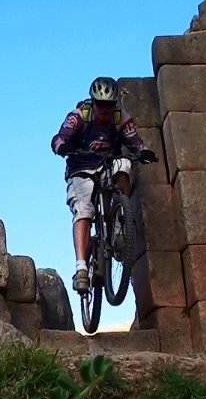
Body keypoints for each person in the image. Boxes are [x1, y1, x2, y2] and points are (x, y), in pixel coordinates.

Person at [50, 76, 158, 293]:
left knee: (125, 164)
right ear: (93, 101)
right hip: (81, 166)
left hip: (108, 164)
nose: (104, 110)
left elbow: (134, 141)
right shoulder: (79, 116)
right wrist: (62, 146)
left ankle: (119, 222)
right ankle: (81, 267)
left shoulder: (120, 118)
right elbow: (60, 137)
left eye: (109, 105)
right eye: (100, 104)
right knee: (84, 209)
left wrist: (143, 151)